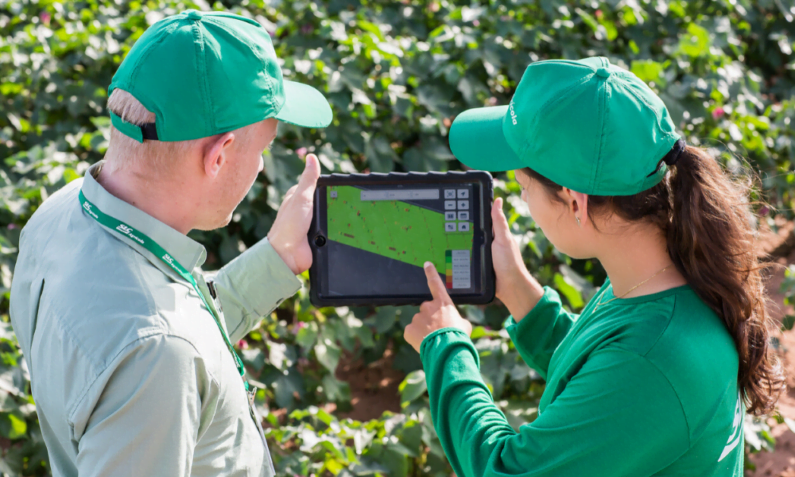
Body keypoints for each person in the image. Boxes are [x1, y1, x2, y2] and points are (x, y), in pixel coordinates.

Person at [404, 57, 786, 476]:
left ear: (574, 202)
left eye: (524, 187)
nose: (523, 204)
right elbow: (602, 379)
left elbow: (505, 469)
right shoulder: (664, 274)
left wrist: (446, 346)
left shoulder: (653, 360)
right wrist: (516, 289)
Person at [9, 10, 330, 477]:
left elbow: (160, 324)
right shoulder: (158, 355)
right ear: (219, 156)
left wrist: (279, 256)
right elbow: (159, 344)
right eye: (260, 149)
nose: (261, 167)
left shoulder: (59, 216)